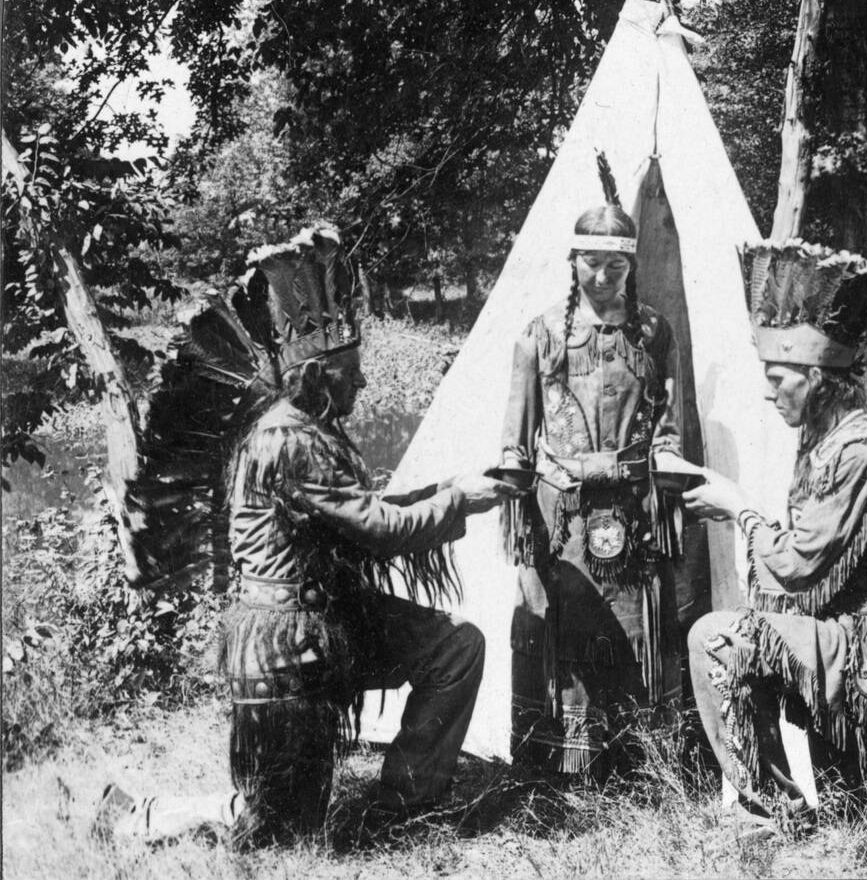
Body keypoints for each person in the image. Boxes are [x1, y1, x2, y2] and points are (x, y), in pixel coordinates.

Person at [94, 226, 518, 844]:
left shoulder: (303, 430)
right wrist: (458, 501)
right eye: (351, 373)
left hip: (324, 627)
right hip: (287, 654)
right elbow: (373, 529)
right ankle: (139, 819)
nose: (363, 384)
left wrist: (445, 491)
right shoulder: (290, 442)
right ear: (318, 375)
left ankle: (404, 806)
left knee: (453, 648)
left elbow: (358, 510)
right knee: (279, 830)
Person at [682, 240, 867, 836]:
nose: (769, 392)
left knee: (718, 639)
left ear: (816, 378)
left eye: (778, 378)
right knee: (855, 813)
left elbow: (798, 566)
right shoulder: (824, 440)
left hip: (865, 653)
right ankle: (777, 812)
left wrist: (738, 507)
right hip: (830, 642)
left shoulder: (861, 451)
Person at [497, 202, 701, 778]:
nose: (604, 277)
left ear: (629, 266)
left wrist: (667, 473)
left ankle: (639, 763)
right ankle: (556, 765)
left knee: (636, 628)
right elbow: (516, 438)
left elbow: (669, 428)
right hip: (561, 511)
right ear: (572, 261)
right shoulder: (539, 335)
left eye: (616, 266)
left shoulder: (655, 334)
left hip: (634, 512)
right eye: (592, 263)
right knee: (563, 631)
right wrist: (516, 501)